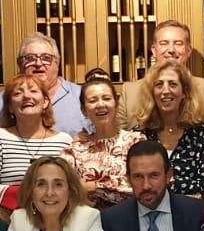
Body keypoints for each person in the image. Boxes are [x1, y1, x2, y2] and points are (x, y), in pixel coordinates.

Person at [101, 141, 204, 231]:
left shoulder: (196, 213)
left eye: (154, 175)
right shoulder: (112, 220)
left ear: (168, 175)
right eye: (138, 176)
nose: (146, 186)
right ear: (128, 179)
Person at [0, 73, 76, 210]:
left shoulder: (64, 141)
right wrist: (36, 198)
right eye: (18, 93)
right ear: (10, 107)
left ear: (45, 102)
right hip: (7, 219)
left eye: (33, 91)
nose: (26, 96)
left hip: (55, 218)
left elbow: (71, 187)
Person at [119, 20, 204, 127]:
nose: (171, 49)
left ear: (188, 50)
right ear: (154, 50)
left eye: (178, 43)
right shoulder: (130, 93)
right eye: (164, 43)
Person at [62, 77, 145, 209]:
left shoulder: (135, 142)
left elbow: (143, 185)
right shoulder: (74, 151)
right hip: (87, 223)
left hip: (130, 219)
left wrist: (93, 187)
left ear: (116, 104)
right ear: (84, 110)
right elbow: (64, 190)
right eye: (93, 100)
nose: (100, 105)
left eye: (106, 98)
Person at [0, 33, 88, 134]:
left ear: (57, 63)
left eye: (46, 58)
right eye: (30, 58)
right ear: (20, 64)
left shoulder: (83, 97)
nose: (38, 64)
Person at [138, 61, 204, 197]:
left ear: (184, 92)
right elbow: (135, 184)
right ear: (152, 93)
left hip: (192, 213)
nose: (165, 91)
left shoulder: (203, 134)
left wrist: (163, 184)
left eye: (173, 84)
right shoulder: (139, 135)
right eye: (159, 85)